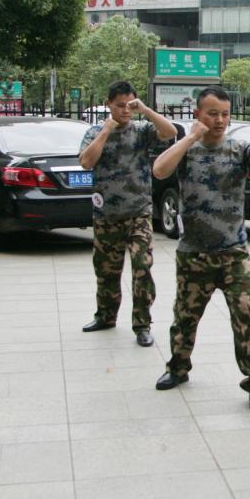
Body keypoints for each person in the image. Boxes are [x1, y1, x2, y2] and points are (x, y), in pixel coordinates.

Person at [151, 86, 250, 412]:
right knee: (185, 317)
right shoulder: (187, 149)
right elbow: (160, 170)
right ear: (198, 114)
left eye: (225, 114)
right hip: (193, 252)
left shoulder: (239, 149)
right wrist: (189, 138)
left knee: (248, 316)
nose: (220, 120)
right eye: (212, 114)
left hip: (233, 252)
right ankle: (178, 367)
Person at [79, 80, 177, 347]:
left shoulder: (142, 130)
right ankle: (105, 316)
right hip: (106, 214)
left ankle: (142, 324)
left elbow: (169, 132)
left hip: (139, 213)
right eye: (120, 105)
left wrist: (145, 110)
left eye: (129, 106)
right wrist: (105, 131)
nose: (125, 110)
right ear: (109, 104)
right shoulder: (94, 132)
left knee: (142, 267)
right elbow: (86, 162)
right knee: (106, 271)